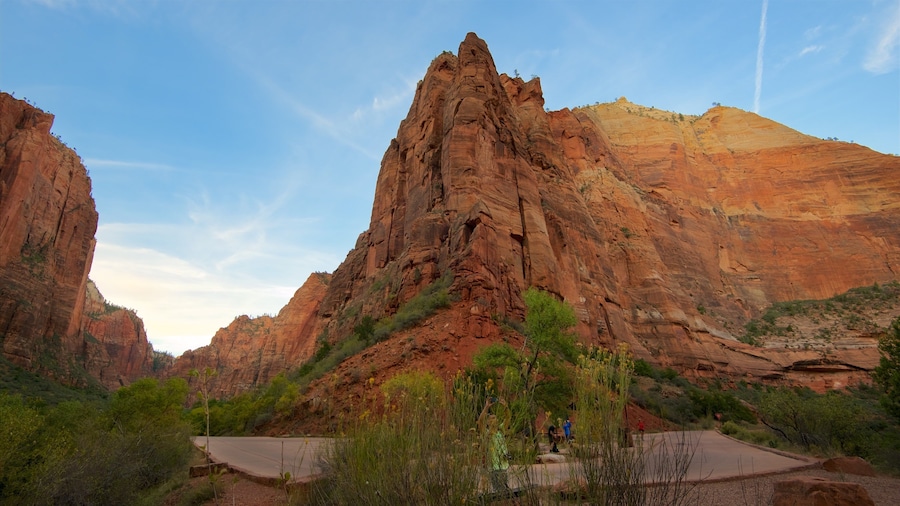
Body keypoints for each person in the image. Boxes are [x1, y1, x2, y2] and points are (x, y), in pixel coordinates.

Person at [477, 398, 510, 494]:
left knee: (504, 489)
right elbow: (480, 422)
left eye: (494, 418)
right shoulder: (487, 433)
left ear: (497, 421)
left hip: (503, 464)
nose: (492, 420)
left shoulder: (501, 431)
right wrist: (486, 407)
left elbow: (508, 418)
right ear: (487, 422)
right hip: (493, 467)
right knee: (498, 489)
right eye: (490, 418)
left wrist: (506, 407)